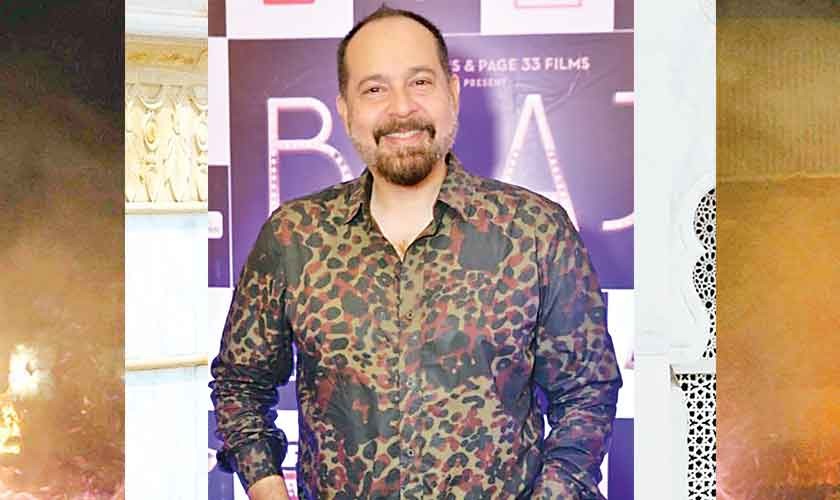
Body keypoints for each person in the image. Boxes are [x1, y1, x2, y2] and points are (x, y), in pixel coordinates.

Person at [210, 6, 622, 500]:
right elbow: (239, 384)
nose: (401, 108)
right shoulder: (294, 237)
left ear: (453, 93)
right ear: (345, 109)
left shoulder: (534, 230)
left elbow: (586, 391)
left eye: (420, 82)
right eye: (374, 89)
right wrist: (267, 487)